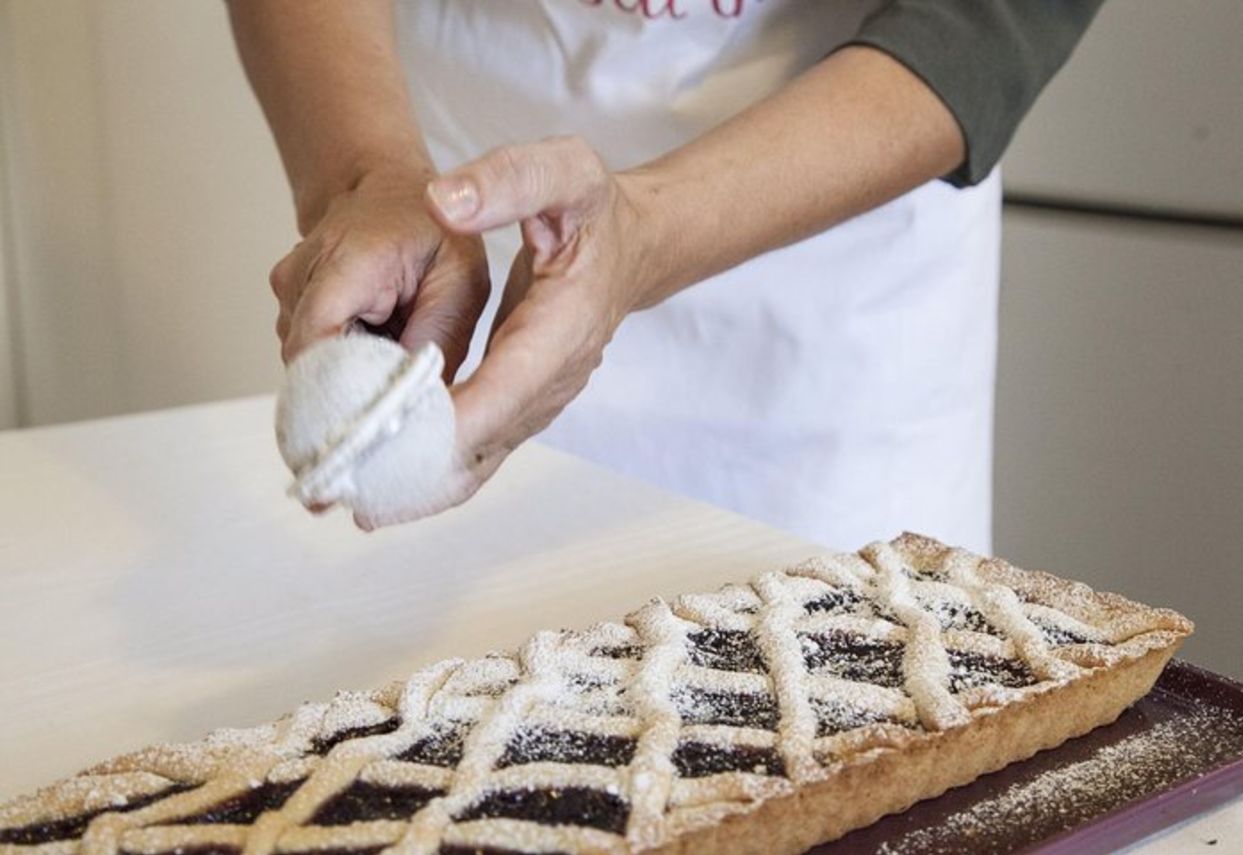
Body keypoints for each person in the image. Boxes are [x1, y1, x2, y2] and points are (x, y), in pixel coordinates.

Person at [227, 0, 1103, 552]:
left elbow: (990, 23)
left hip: (838, 287)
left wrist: (640, 236)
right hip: (453, 221)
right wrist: (365, 179)